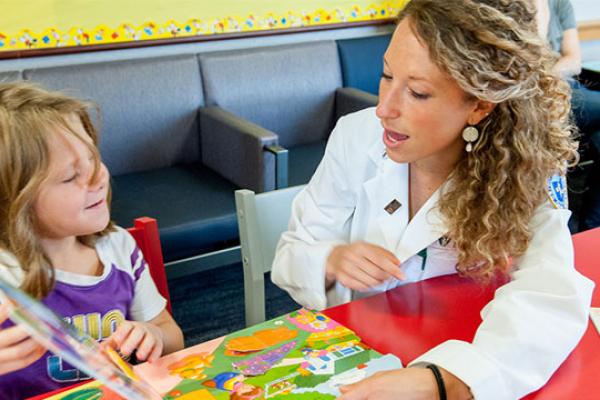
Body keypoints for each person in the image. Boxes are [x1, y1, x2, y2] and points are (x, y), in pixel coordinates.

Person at [271, 0, 594, 399]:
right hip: (354, 353)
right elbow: (289, 255)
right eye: (386, 75)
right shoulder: (355, 136)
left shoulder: (527, 165)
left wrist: (450, 381)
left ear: (479, 105)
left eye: (418, 93)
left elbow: (550, 291)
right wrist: (330, 259)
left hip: (459, 347)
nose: (384, 109)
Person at [0, 82, 184, 399]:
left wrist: (151, 334)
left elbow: (172, 336)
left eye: (93, 159)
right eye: (72, 176)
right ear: (14, 199)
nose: (99, 177)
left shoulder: (119, 247)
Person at [536, 0, 600, 230]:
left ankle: (589, 226)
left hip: (566, 87)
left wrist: (550, 77)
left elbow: (574, 60)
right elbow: (528, 62)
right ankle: (581, 225)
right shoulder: (510, 5)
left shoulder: (560, 3)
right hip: (534, 94)